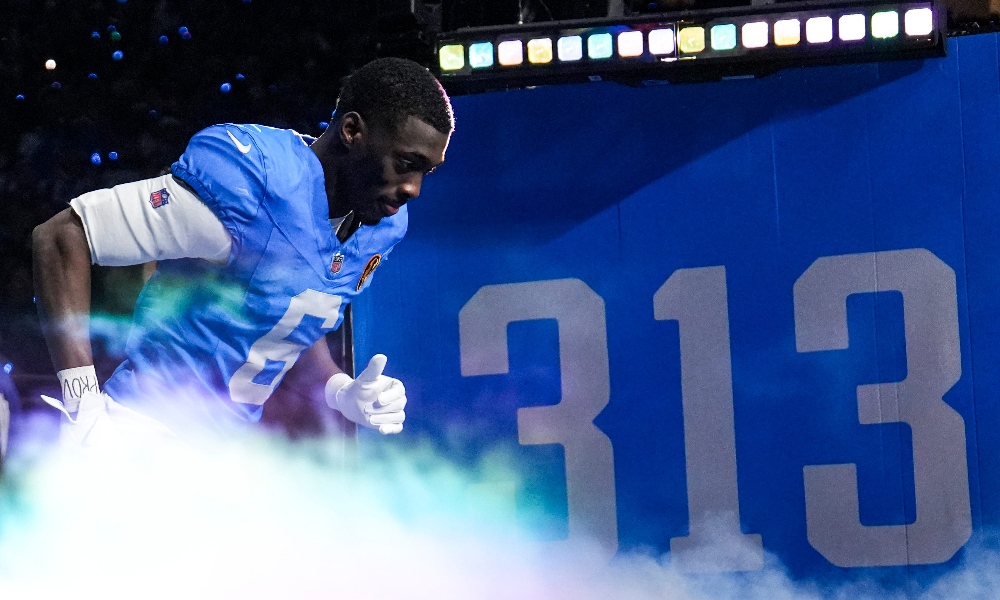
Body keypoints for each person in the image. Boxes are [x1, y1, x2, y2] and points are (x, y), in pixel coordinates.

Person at [31, 58, 454, 441]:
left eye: (426, 171)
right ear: (352, 132)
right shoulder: (255, 183)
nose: (414, 189)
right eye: (405, 164)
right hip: (147, 428)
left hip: (225, 456)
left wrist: (341, 391)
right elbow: (61, 237)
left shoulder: (382, 225)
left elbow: (289, 325)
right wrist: (83, 408)